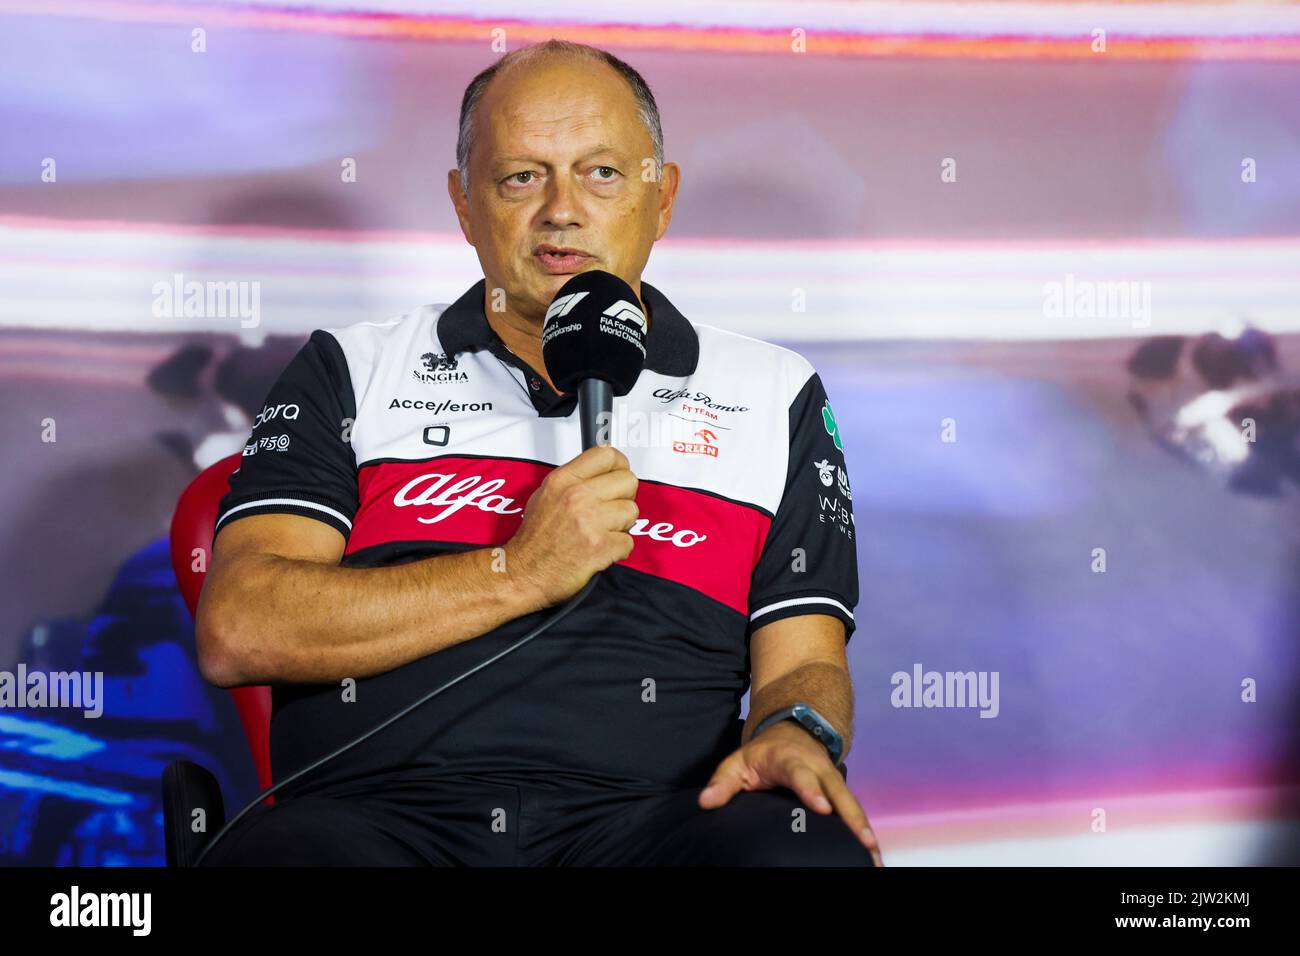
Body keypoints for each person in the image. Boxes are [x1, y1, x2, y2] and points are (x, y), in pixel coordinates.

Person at [195, 39, 880, 867]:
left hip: (659, 825)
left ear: (660, 199)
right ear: (463, 203)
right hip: (376, 823)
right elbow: (240, 628)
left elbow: (804, 658)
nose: (562, 209)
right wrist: (517, 572)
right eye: (521, 176)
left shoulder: (774, 392)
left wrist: (796, 731)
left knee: (805, 852)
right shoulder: (350, 367)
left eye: (602, 173)